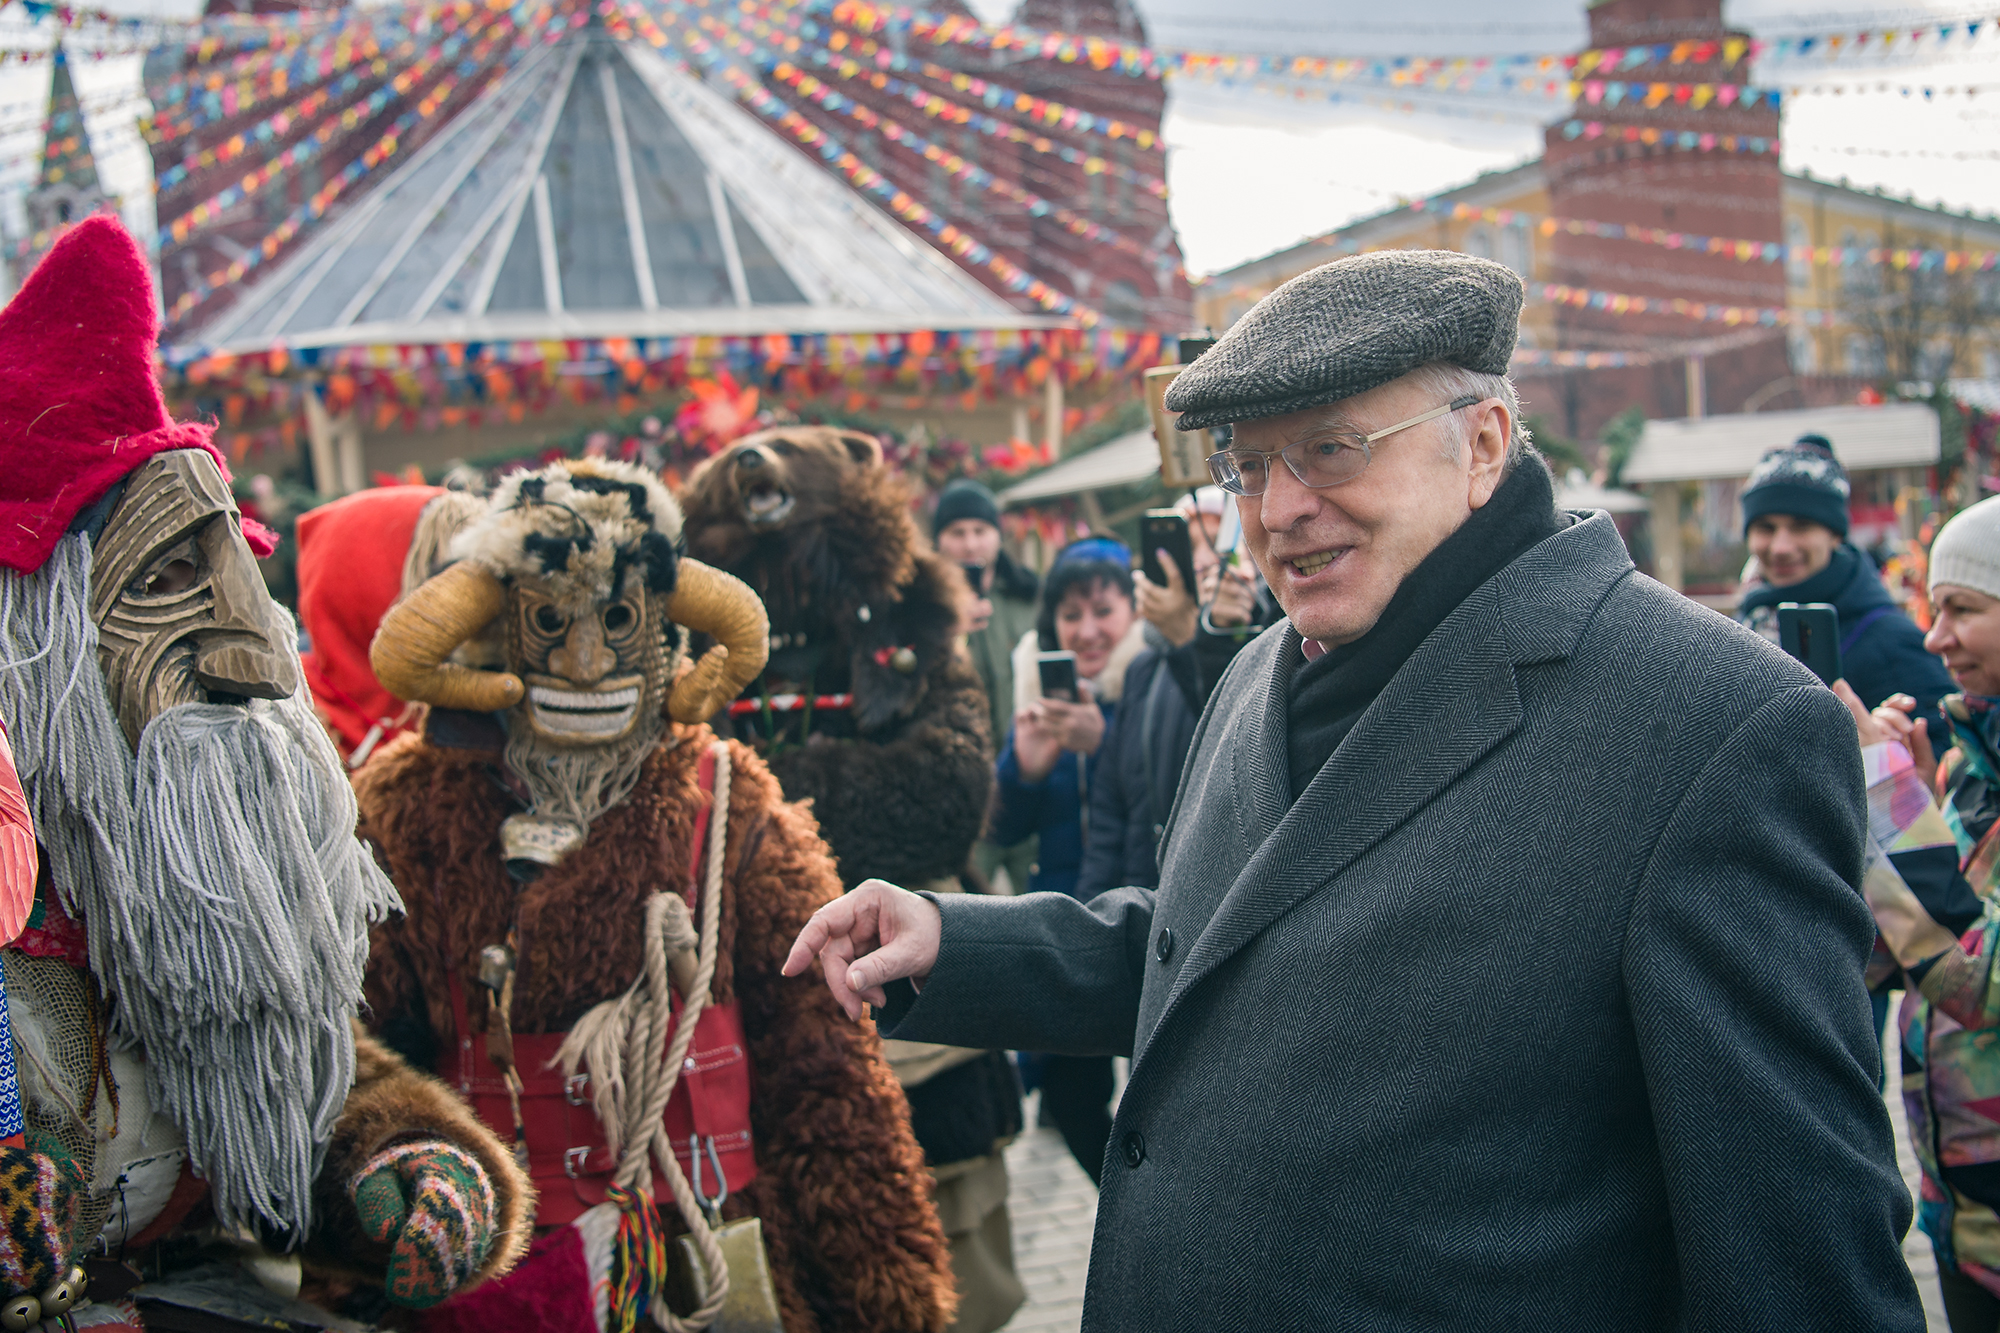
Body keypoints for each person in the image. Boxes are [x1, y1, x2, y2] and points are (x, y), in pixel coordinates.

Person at [785, 249, 1923, 1331]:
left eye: (1329, 449)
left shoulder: (1713, 722)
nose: (1277, 508)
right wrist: (956, 942)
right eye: (1247, 465)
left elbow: (1802, 1256)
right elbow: (1221, 956)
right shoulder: (1260, 668)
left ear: (1481, 445)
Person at [0, 215, 531, 1326]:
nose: (254, 651)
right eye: (165, 585)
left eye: (242, 575)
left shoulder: (203, 871)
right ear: (30, 644)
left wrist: (400, 1159)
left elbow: (301, 1083)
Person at [357, 458, 958, 1330]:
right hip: (505, 1268)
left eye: (618, 621)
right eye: (551, 622)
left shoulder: (729, 803)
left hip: (706, 1250)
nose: (588, 663)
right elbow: (362, 1049)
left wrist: (883, 1296)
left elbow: (823, 1076)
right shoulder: (409, 810)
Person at [1841, 494, 2000, 1333]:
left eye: (1962, 610)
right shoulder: (1973, 763)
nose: (1936, 639)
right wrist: (1917, 799)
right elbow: (1901, 954)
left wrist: (1889, 795)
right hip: (1962, 1215)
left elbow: (1976, 982)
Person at [1736, 434, 1955, 753]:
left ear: (1835, 535)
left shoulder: (1891, 639)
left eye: (1801, 526)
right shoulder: (1746, 622)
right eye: (1765, 528)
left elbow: (1947, 754)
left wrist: (1880, 751)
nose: (1780, 546)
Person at [934, 478, 1041, 896]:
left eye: (980, 530)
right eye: (957, 532)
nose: (970, 544)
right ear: (939, 540)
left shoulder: (1028, 595)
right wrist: (947, 628)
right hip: (962, 794)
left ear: (997, 535)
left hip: (1030, 781)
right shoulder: (923, 606)